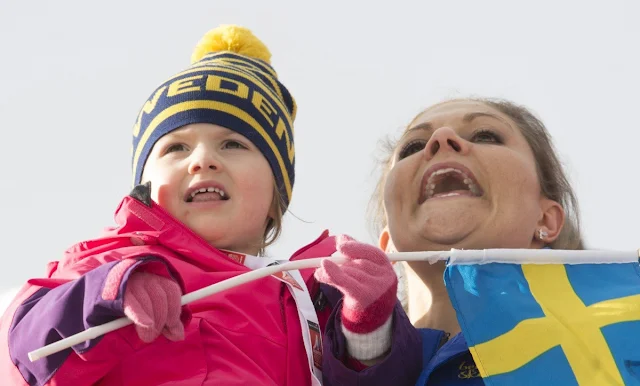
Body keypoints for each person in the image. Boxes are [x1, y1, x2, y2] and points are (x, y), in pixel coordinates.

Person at [0, 25, 423, 385]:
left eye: (234, 144)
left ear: (276, 197)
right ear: (144, 186)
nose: (202, 159)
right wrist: (109, 292)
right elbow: (27, 347)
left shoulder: (313, 293)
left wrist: (368, 324)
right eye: (176, 147)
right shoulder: (110, 260)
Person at [317, 97, 583, 385]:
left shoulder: (617, 352)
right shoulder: (305, 357)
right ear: (387, 242)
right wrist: (366, 337)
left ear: (546, 219)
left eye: (485, 135)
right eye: (413, 146)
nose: (442, 138)